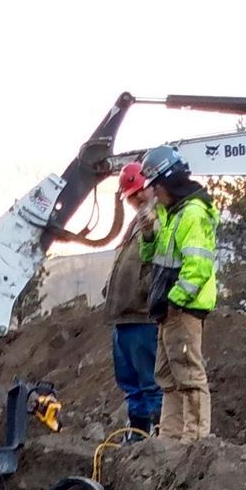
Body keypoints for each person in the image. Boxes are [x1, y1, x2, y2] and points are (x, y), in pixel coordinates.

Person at [142, 144, 219, 443]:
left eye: (156, 187)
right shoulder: (171, 215)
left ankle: (195, 442)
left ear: (168, 182)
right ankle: (171, 439)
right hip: (168, 309)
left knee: (189, 376)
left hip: (182, 309)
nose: (153, 194)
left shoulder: (192, 214)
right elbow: (154, 258)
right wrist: (148, 234)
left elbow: (197, 266)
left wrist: (176, 300)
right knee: (168, 377)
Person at [103, 162, 161, 432]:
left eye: (140, 191)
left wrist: (145, 291)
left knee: (150, 384)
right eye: (132, 194)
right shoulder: (137, 223)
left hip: (143, 315)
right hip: (123, 316)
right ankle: (138, 437)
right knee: (131, 385)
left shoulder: (159, 221)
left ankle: (160, 440)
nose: (137, 198)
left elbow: (159, 265)